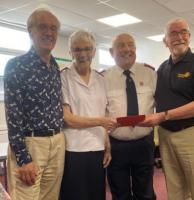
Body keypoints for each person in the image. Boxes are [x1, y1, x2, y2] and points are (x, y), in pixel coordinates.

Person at [140, 18, 194, 200]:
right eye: (173, 33)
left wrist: (164, 116)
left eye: (183, 32)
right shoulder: (162, 69)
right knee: (176, 191)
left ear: (189, 36)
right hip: (166, 136)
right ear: (165, 41)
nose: (179, 37)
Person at [4, 8, 65, 200]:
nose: (49, 33)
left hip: (57, 142)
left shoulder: (55, 67)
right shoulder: (16, 65)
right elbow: (13, 116)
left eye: (54, 28)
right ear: (30, 31)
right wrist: (23, 158)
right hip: (31, 144)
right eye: (43, 27)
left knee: (50, 197)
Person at [60, 30, 116, 200]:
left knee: (96, 195)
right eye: (77, 49)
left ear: (94, 51)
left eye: (87, 49)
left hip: (97, 148)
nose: (82, 54)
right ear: (70, 52)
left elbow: (103, 112)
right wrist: (101, 121)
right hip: (73, 150)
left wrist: (107, 145)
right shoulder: (63, 77)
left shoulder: (101, 79)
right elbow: (68, 119)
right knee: (74, 195)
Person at [104, 33, 157, 200]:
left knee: (146, 193)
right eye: (121, 45)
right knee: (120, 193)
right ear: (112, 51)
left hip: (144, 143)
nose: (126, 49)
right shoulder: (103, 77)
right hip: (116, 146)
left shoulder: (150, 73)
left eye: (131, 45)